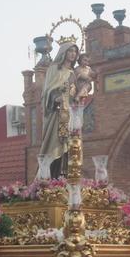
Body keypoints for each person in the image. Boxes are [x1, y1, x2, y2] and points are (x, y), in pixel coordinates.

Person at [38, 42, 79, 176]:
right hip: (55, 113)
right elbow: (46, 91)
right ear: (64, 53)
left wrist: (75, 92)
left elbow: (74, 93)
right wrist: (56, 97)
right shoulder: (54, 68)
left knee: (69, 146)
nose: (73, 54)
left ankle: (64, 177)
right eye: (70, 51)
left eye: (74, 51)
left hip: (69, 114)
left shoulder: (73, 73)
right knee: (54, 145)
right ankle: (51, 177)